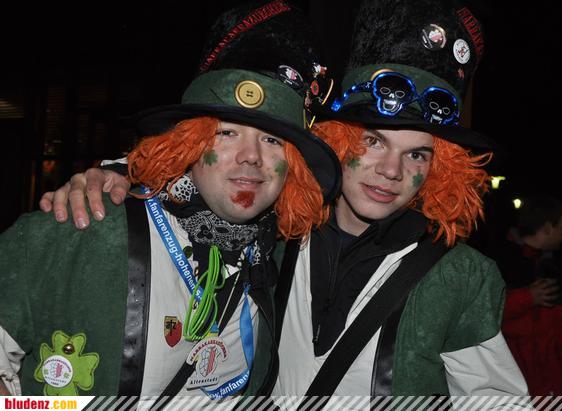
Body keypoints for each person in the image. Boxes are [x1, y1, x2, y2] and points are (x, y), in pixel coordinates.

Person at [41, 0, 531, 402]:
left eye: (417, 154)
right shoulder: (274, 232)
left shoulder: (461, 277)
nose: (391, 170)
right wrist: (119, 173)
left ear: (438, 168)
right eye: (373, 141)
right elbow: (200, 188)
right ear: (336, 141)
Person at [0, 0, 341, 398]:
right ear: (189, 145)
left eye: (272, 140)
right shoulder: (79, 227)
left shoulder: (277, 256)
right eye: (227, 133)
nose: (251, 156)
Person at [491, 195, 562, 396]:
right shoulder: (497, 263)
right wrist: (526, 298)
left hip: (549, 385)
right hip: (508, 382)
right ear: (548, 227)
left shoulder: (558, 272)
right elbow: (479, 317)